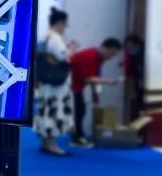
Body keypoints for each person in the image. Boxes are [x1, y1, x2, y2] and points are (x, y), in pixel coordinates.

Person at [32, 9, 74, 156]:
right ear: (60, 22)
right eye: (65, 23)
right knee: (54, 111)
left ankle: (45, 142)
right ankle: (52, 145)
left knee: (45, 110)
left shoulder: (45, 35)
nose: (66, 26)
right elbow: (62, 56)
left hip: (45, 80)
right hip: (56, 83)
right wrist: (70, 50)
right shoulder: (55, 37)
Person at [69, 37, 122, 147]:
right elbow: (89, 79)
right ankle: (77, 137)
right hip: (69, 86)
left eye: (113, 55)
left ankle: (78, 135)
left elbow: (93, 77)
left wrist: (95, 94)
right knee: (78, 111)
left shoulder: (98, 57)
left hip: (77, 86)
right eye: (111, 53)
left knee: (80, 111)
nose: (111, 57)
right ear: (104, 48)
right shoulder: (90, 56)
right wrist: (108, 82)